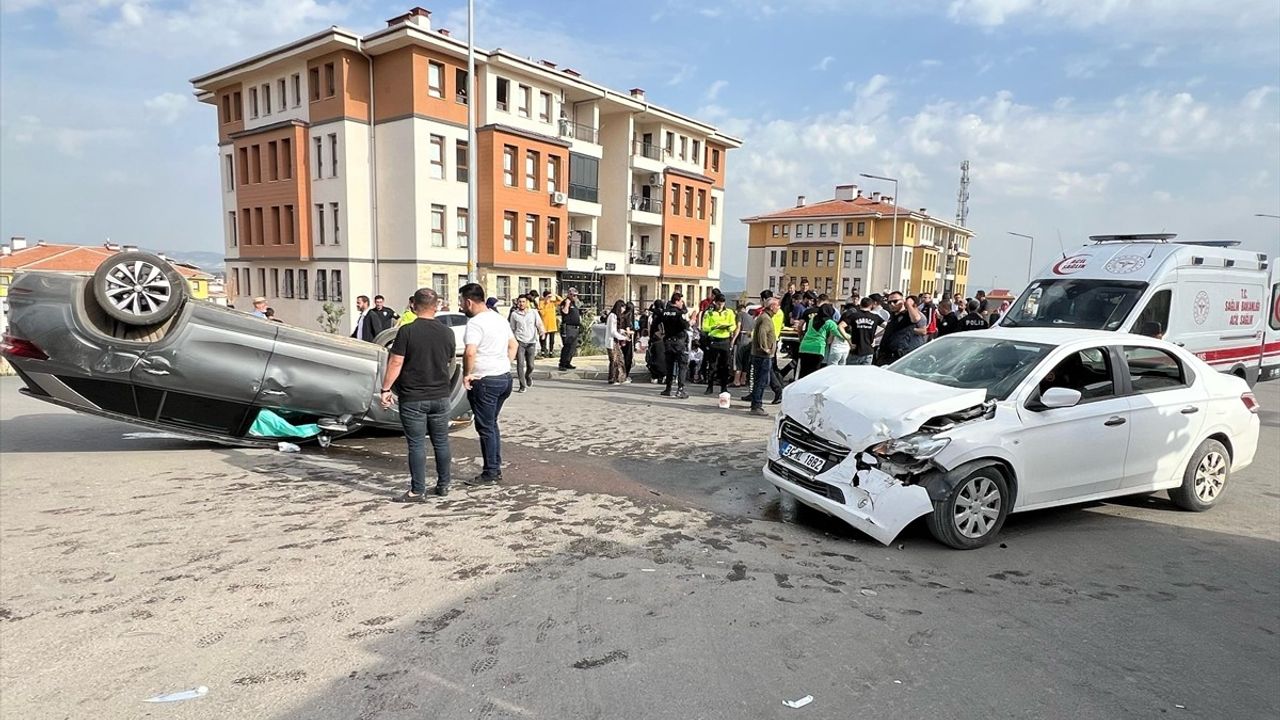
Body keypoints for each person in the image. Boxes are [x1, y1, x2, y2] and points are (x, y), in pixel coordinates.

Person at [379, 288, 455, 501]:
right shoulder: (447, 333)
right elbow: (449, 361)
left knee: (416, 444)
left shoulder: (407, 331)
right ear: (436, 306)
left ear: (414, 305)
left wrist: (386, 389)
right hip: (441, 395)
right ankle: (443, 485)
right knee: (441, 442)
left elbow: (396, 362)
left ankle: (418, 490)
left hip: (413, 397)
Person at [459, 283, 517, 485]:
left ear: (469, 302)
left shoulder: (475, 323)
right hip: (504, 378)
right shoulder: (499, 318)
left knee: (485, 427)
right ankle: (494, 466)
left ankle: (491, 472)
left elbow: (470, 352)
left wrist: (467, 374)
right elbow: (514, 345)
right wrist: (504, 364)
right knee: (491, 423)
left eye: (461, 302)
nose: (461, 306)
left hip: (485, 381)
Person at [700, 292, 737, 395]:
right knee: (712, 365)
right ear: (715, 302)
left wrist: (729, 328)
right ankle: (710, 386)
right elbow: (704, 327)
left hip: (725, 340)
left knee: (725, 365)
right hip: (714, 340)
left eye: (722, 303)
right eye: (719, 303)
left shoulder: (729, 312)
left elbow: (733, 325)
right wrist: (714, 327)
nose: (721, 305)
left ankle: (724, 387)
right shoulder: (709, 313)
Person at [749, 298, 780, 416]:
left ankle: (756, 403)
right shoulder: (766, 319)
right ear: (771, 307)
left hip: (761, 355)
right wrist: (765, 348)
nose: (778, 308)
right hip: (762, 356)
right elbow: (762, 333)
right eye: (777, 305)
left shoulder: (764, 317)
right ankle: (757, 405)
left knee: (761, 380)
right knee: (761, 381)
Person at [508, 295, 545, 393]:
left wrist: (542, 332)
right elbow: (512, 328)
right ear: (517, 303)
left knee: (531, 365)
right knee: (520, 364)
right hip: (520, 341)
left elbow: (539, 324)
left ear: (527, 302)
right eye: (520, 302)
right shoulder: (514, 314)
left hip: (531, 342)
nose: (521, 304)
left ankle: (528, 376)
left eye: (523, 302)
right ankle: (522, 385)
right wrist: (511, 341)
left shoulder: (533, 312)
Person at [878, 292, 928, 364]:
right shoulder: (892, 316)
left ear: (903, 301)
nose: (892, 304)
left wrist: (909, 304)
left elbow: (916, 319)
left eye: (895, 301)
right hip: (887, 355)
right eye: (889, 302)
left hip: (902, 355)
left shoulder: (909, 314)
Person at [797, 304, 845, 378]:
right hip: (817, 348)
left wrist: (800, 337)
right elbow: (840, 334)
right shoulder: (830, 322)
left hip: (804, 347)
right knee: (814, 374)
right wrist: (849, 337)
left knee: (803, 372)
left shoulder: (812, 319)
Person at [658, 293, 691, 399]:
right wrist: (691, 321)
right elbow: (685, 325)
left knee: (669, 366)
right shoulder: (679, 313)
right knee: (682, 365)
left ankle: (668, 388)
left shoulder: (664, 312)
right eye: (681, 301)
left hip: (668, 341)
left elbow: (657, 323)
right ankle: (680, 390)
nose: (682, 303)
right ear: (677, 301)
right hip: (679, 342)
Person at [845, 297, 884, 365]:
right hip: (869, 351)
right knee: (865, 371)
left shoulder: (854, 315)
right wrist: (875, 336)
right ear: (871, 305)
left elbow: (840, 326)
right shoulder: (875, 317)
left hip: (856, 350)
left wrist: (848, 339)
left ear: (860, 305)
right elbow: (887, 327)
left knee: (851, 371)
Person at [603, 300, 629, 385]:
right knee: (614, 361)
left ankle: (621, 378)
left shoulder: (615, 316)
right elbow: (612, 331)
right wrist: (623, 337)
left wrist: (622, 331)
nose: (623, 310)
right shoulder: (612, 316)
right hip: (612, 341)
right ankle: (613, 379)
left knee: (620, 360)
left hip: (615, 341)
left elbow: (615, 330)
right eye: (623, 307)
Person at [732, 299, 756, 388]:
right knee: (746, 360)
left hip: (742, 339)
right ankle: (743, 380)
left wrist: (733, 340)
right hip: (749, 340)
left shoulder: (739, 315)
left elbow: (738, 327)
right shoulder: (751, 318)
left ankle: (736, 381)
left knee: (738, 360)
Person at [558, 288, 583, 371]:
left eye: (576, 295)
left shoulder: (574, 303)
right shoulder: (565, 302)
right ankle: (562, 364)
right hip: (568, 327)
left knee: (573, 347)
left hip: (575, 328)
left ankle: (567, 362)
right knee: (567, 346)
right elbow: (564, 312)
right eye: (573, 295)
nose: (575, 297)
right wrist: (567, 304)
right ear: (569, 294)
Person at [538, 290, 560, 357]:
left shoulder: (552, 303)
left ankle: (551, 352)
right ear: (545, 297)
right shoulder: (541, 303)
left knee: (552, 340)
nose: (549, 298)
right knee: (543, 339)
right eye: (548, 297)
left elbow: (561, 301)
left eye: (550, 297)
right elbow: (542, 313)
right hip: (544, 324)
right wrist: (546, 303)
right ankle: (543, 351)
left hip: (552, 324)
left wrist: (555, 295)